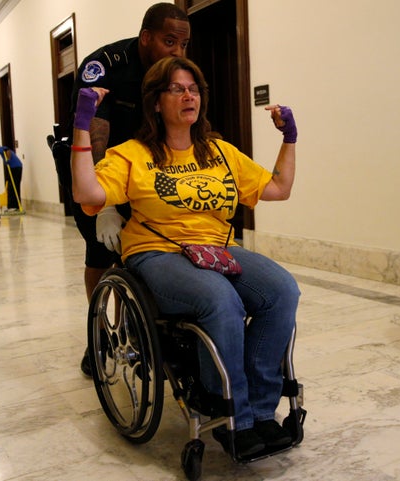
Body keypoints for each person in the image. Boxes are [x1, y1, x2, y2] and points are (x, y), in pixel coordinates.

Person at [71, 56, 300, 458]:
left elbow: (278, 188)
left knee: (283, 290)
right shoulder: (132, 154)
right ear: (156, 102)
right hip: (156, 251)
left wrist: (289, 138)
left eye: (193, 89)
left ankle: (262, 411)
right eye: (177, 89)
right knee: (220, 299)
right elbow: (88, 195)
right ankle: (231, 412)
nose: (188, 95)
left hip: (218, 248)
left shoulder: (219, 151)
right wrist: (81, 127)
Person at [64, 2, 190, 375]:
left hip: (146, 167)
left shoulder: (175, 73)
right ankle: (100, 335)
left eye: (184, 45)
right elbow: (94, 138)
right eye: (169, 41)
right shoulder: (105, 68)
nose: (177, 52)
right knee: (101, 256)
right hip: (96, 168)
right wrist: (106, 206)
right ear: (146, 37)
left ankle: (135, 336)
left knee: (142, 256)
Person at [0, 146, 23, 210]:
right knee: (14, 186)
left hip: (15, 168)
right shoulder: (1, 151)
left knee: (13, 186)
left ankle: (13, 206)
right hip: (17, 167)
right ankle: (15, 205)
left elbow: (8, 151)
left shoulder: (1, 149)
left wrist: (8, 160)